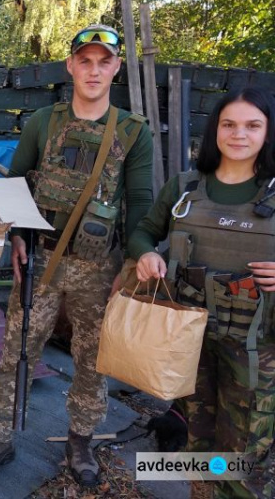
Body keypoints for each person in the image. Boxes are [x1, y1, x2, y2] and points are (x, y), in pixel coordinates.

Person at [0, 24, 154, 487]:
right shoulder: (42, 122)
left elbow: (143, 207)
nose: (93, 70)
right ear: (70, 66)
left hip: (99, 267)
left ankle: (81, 441)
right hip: (42, 263)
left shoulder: (133, 133)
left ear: (115, 69)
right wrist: (18, 241)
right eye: (84, 60)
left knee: (93, 360)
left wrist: (131, 268)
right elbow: (14, 187)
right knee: (17, 351)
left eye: (103, 61)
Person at [129, 86, 275, 499]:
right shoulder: (185, 188)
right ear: (215, 130)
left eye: (253, 125)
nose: (239, 134)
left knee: (247, 455)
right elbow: (143, 232)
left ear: (268, 132)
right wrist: (145, 256)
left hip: (256, 353)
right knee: (198, 443)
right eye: (228, 124)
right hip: (190, 347)